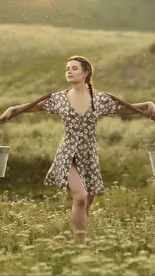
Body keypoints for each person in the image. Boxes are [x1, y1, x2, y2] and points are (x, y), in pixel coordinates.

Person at [0, 55, 155, 245]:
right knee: (80, 198)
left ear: (86, 73)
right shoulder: (59, 98)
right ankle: (79, 247)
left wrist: (148, 105)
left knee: (86, 205)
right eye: (67, 69)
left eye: (74, 68)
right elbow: (36, 106)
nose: (69, 71)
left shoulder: (100, 99)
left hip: (89, 156)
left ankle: (81, 243)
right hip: (67, 154)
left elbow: (126, 109)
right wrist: (12, 109)